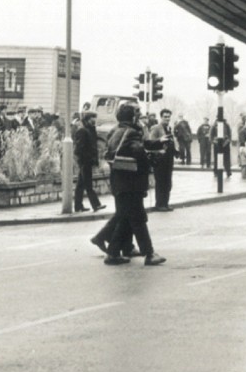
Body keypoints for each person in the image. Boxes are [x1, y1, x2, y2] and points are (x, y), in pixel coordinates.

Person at [100, 102, 165, 266]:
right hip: (132, 184)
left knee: (125, 218)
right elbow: (139, 153)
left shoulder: (115, 131)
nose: (140, 116)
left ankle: (113, 253)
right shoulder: (132, 133)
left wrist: (156, 144)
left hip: (119, 182)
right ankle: (149, 253)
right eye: (138, 113)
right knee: (138, 219)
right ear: (133, 117)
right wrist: (155, 158)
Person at [73, 110, 105, 213]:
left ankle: (78, 206)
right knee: (88, 184)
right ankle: (96, 205)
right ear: (87, 119)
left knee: (81, 185)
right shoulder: (83, 131)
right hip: (85, 161)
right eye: (92, 118)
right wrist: (86, 159)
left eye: (95, 117)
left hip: (87, 161)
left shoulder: (91, 130)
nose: (94, 120)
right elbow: (79, 149)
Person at [147, 108, 177, 211]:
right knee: (160, 182)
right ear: (161, 117)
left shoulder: (169, 128)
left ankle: (165, 203)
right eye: (165, 117)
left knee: (168, 182)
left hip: (168, 159)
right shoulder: (155, 128)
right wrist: (160, 145)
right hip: (160, 159)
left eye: (168, 117)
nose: (167, 119)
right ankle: (159, 204)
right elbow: (150, 142)